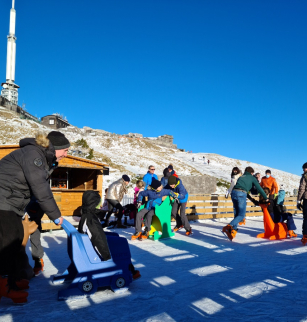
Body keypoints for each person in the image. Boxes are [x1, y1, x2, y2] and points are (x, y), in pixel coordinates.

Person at [0, 131, 68, 303]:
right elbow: (40, 188)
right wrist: (55, 215)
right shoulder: (33, 155)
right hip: (3, 200)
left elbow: (35, 187)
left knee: (16, 239)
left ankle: (13, 279)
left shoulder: (43, 158)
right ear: (55, 147)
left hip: (11, 203)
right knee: (9, 241)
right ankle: (4, 285)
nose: (66, 154)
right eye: (65, 150)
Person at [78, 190, 140, 280]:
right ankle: (127, 268)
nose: (101, 205)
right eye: (99, 203)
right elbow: (97, 238)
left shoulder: (88, 215)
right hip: (92, 250)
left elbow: (97, 234)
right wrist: (107, 256)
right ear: (93, 204)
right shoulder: (91, 219)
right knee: (122, 243)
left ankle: (130, 267)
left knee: (115, 236)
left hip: (89, 245)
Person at [222, 167, 268, 241]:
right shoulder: (252, 178)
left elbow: (242, 189)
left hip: (233, 193)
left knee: (236, 214)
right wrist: (266, 197)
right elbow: (259, 188)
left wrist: (252, 199)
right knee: (241, 215)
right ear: (252, 173)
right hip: (241, 194)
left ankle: (233, 230)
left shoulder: (241, 177)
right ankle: (228, 226)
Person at [297, 162, 307, 245]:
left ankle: (305, 236)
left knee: (306, 218)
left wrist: (298, 200)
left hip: (306, 199)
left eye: (304, 168)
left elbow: (302, 188)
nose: (304, 170)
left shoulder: (305, 176)